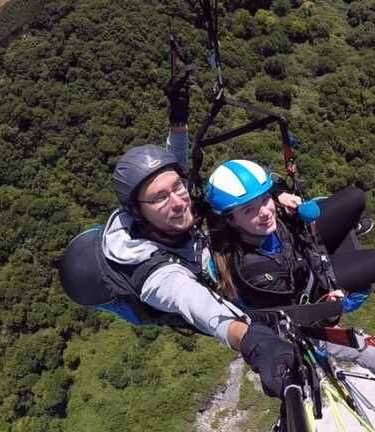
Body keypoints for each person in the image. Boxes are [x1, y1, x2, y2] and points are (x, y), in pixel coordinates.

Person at [58, 73, 298, 399]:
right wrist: (252, 342)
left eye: (177, 188)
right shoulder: (152, 273)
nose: (178, 200)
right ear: (138, 211)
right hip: (210, 292)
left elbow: (174, 170)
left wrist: (179, 120)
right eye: (160, 198)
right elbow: (193, 302)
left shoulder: (165, 210)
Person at [204, 159, 375, 400]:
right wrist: (335, 305)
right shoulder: (255, 270)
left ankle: (348, 230)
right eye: (250, 209)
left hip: (300, 245)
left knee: (355, 198)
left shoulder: (265, 217)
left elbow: (272, 179)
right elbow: (302, 310)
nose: (264, 212)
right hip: (310, 282)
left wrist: (281, 195)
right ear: (232, 220)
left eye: (264, 199)